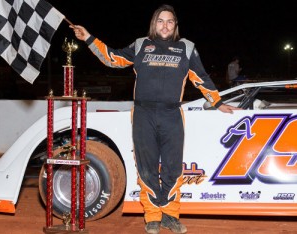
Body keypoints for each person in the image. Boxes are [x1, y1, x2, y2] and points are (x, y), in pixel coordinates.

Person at [71, 4, 240, 234]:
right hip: (143, 114)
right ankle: (152, 217)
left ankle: (170, 216)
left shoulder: (187, 48)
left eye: (170, 21)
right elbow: (113, 58)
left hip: (172, 114)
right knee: (147, 168)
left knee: (172, 168)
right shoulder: (141, 44)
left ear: (175, 25)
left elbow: (201, 78)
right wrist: (89, 38)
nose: (165, 25)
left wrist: (217, 102)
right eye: (161, 21)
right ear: (154, 23)